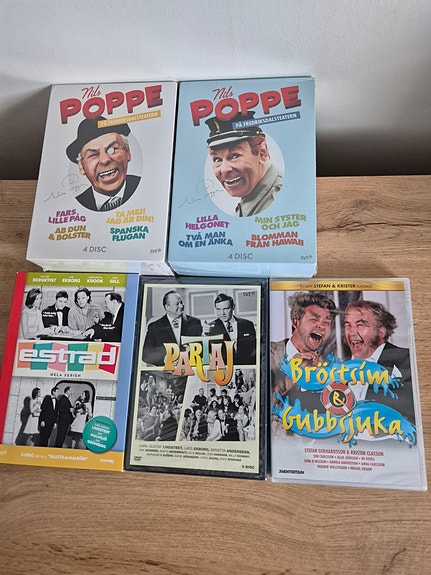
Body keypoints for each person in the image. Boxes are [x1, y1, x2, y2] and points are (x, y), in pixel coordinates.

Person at [343, 300, 414, 422]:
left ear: (381, 332)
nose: (352, 332)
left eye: (360, 325)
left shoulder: (407, 360)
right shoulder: (340, 369)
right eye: (347, 325)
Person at [206, 111, 283, 217]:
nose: (224, 169)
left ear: (262, 153)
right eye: (217, 159)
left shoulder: (278, 199)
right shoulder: (253, 198)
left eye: (235, 156)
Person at [270, 292, 336, 412]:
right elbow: (259, 410)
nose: (322, 326)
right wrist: (292, 376)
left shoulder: (331, 370)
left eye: (327, 322)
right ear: (296, 322)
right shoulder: (266, 354)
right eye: (314, 319)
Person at [66, 117, 140, 212]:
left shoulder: (147, 188)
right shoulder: (77, 204)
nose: (105, 160)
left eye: (112, 150)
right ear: (81, 166)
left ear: (128, 153)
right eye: (93, 155)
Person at [142, 290, 203, 366]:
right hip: (165, 372)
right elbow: (146, 355)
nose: (181, 306)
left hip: (189, 370)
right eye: (177, 304)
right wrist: (165, 359)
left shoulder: (195, 322)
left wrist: (193, 351)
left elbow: (203, 350)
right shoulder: (154, 327)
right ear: (167, 307)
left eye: (181, 303)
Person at [203, 293, 256, 365]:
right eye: (218, 309)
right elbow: (206, 353)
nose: (222, 313)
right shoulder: (210, 328)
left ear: (233, 307)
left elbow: (254, 349)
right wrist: (204, 337)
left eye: (226, 309)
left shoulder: (247, 324)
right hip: (224, 369)